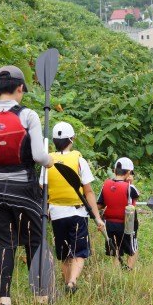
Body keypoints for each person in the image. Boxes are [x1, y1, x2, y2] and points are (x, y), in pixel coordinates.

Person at [0, 65, 55, 305]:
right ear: (20, 88)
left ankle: (3, 304)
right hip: (25, 188)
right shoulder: (28, 115)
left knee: (4, 245)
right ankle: (41, 299)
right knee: (34, 242)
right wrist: (50, 161)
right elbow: (40, 156)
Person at [46, 121, 104, 293]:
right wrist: (98, 217)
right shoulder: (79, 160)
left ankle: (67, 284)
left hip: (56, 214)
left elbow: (42, 191)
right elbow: (89, 192)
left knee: (64, 254)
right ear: (72, 140)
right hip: (78, 212)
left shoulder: (47, 162)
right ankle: (72, 281)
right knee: (79, 252)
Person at [98, 157, 140, 270]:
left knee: (115, 251)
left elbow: (100, 204)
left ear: (114, 170)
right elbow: (136, 195)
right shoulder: (130, 187)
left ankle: (117, 273)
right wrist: (131, 183)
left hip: (109, 224)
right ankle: (129, 271)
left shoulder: (105, 185)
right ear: (129, 172)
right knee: (133, 250)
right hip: (127, 224)